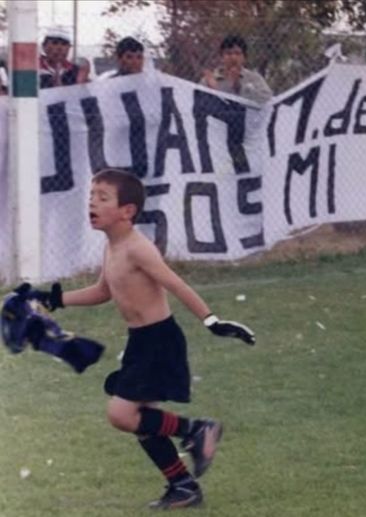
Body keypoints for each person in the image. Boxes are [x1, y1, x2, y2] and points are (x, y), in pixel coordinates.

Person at [30, 168, 256, 508]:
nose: (92, 203)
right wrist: (55, 299)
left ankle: (197, 429)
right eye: (91, 196)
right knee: (144, 421)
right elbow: (103, 291)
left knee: (121, 414)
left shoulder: (138, 248)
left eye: (102, 198)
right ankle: (183, 486)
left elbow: (175, 284)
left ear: (127, 211)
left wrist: (212, 321)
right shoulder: (112, 247)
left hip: (159, 341)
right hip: (140, 342)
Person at [201, 35, 273, 106]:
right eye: (228, 53)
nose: (233, 57)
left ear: (244, 57)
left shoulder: (253, 78)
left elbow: (267, 99)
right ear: (221, 57)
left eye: (237, 53)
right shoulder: (209, 80)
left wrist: (239, 88)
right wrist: (211, 90)